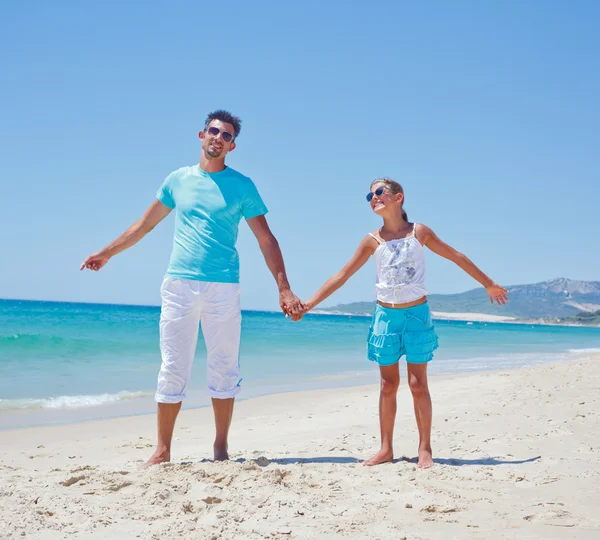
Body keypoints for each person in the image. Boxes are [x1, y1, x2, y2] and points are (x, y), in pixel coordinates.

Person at [80, 110, 304, 466]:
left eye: (226, 135)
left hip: (223, 287)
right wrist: (107, 252)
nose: (218, 137)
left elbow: (266, 239)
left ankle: (220, 447)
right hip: (179, 285)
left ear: (233, 145)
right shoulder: (177, 180)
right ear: (201, 135)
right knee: (172, 366)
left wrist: (284, 288)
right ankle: (163, 449)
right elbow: (144, 225)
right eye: (213, 131)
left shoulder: (242, 186)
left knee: (224, 367)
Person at [294, 177, 508, 468]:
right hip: (385, 317)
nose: (374, 197)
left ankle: (425, 448)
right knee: (387, 385)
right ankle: (385, 449)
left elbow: (456, 257)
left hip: (416, 316)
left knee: (418, 384)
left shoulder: (419, 233)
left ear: (399, 197)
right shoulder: (372, 241)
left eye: (380, 191)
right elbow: (342, 276)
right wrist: (308, 305)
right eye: (369, 195)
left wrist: (489, 284)